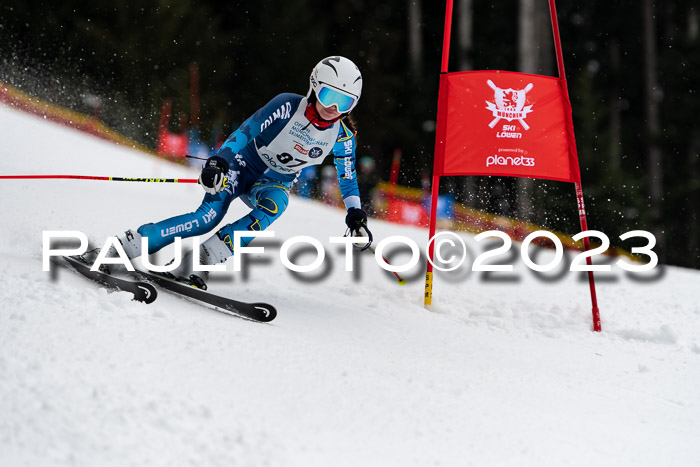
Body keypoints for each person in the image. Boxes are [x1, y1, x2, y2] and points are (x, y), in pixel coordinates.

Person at [104, 56, 372, 289]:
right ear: (314, 87)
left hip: (273, 183)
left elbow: (347, 177)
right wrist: (220, 161)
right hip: (241, 166)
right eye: (329, 96)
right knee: (207, 218)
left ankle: (201, 259)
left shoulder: (343, 137)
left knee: (277, 204)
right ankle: (128, 245)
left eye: (344, 102)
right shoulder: (288, 106)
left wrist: (355, 213)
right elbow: (246, 131)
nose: (334, 108)